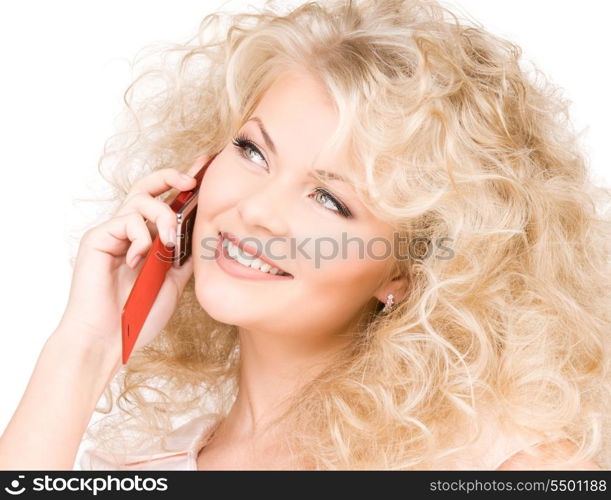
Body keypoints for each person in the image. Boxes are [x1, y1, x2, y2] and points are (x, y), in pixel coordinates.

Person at [0, 0, 609, 470]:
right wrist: (85, 349)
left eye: (329, 198)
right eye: (252, 151)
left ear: (404, 271)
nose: (257, 210)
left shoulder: (511, 464)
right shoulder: (141, 471)